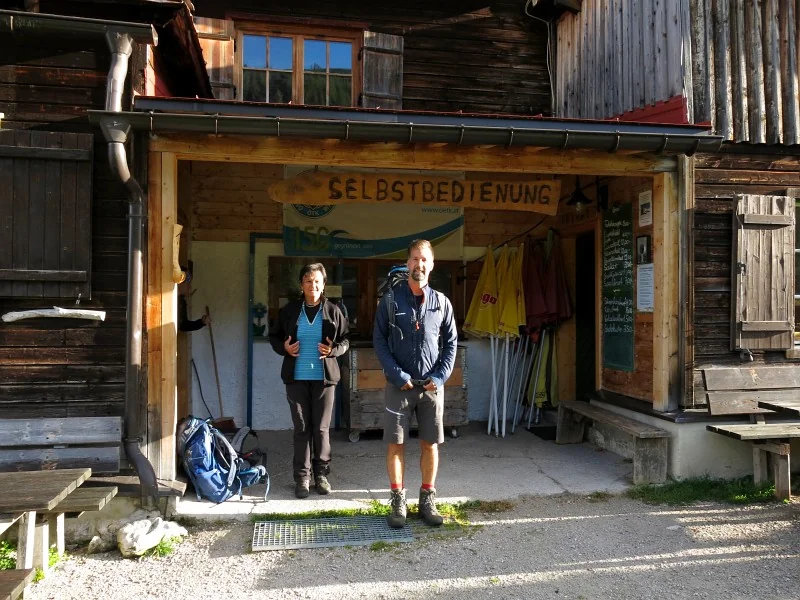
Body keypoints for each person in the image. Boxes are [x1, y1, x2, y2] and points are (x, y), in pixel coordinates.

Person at [373, 239, 458, 528]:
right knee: (395, 445)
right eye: (414, 259)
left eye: (424, 260)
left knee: (430, 444)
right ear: (407, 263)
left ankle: (427, 499)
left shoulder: (442, 302)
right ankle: (398, 501)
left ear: (431, 265)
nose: (419, 264)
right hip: (400, 386)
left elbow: (451, 344)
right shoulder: (390, 301)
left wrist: (440, 376)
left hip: (431, 387)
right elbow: (379, 341)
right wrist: (398, 375)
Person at [269, 263, 349, 498]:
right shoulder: (290, 311)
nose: (312, 285)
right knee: (302, 429)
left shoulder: (333, 311)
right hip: (296, 379)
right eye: (308, 281)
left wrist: (333, 350)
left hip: (324, 380)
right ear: (301, 285)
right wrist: (284, 348)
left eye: (317, 281)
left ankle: (321, 475)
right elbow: (274, 336)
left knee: (321, 429)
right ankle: (302, 478)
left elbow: (345, 341)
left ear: (323, 285)